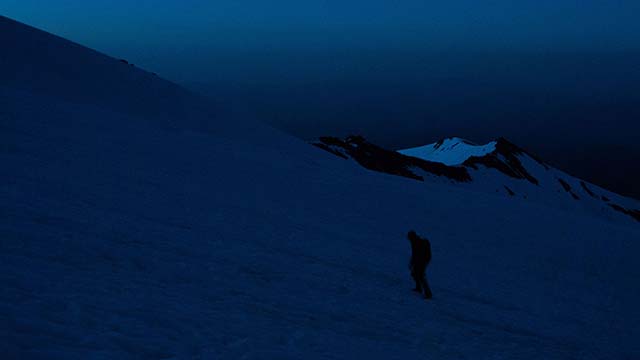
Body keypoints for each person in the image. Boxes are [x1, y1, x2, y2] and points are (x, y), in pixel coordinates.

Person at [408, 230, 433, 299]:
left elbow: (420, 255)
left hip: (423, 260)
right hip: (419, 260)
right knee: (414, 273)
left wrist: (416, 263)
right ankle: (418, 288)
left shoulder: (418, 242)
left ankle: (428, 293)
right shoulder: (414, 242)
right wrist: (412, 262)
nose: (409, 240)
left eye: (409, 238)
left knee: (421, 275)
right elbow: (414, 254)